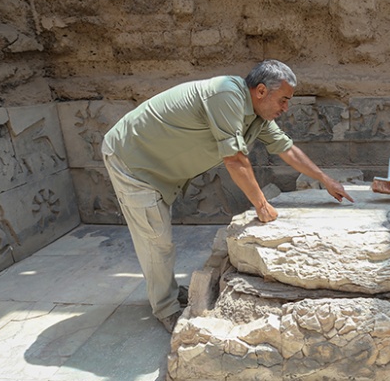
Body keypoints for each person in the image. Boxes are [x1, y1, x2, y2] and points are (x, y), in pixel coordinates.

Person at [102, 60, 354, 332]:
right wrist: (262, 205)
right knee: (156, 240)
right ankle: (166, 309)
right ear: (260, 91)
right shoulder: (227, 95)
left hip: (159, 165)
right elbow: (235, 159)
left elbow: (286, 149)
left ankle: (169, 292)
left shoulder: (257, 116)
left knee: (157, 235)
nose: (285, 108)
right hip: (133, 161)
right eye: (283, 100)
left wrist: (325, 180)